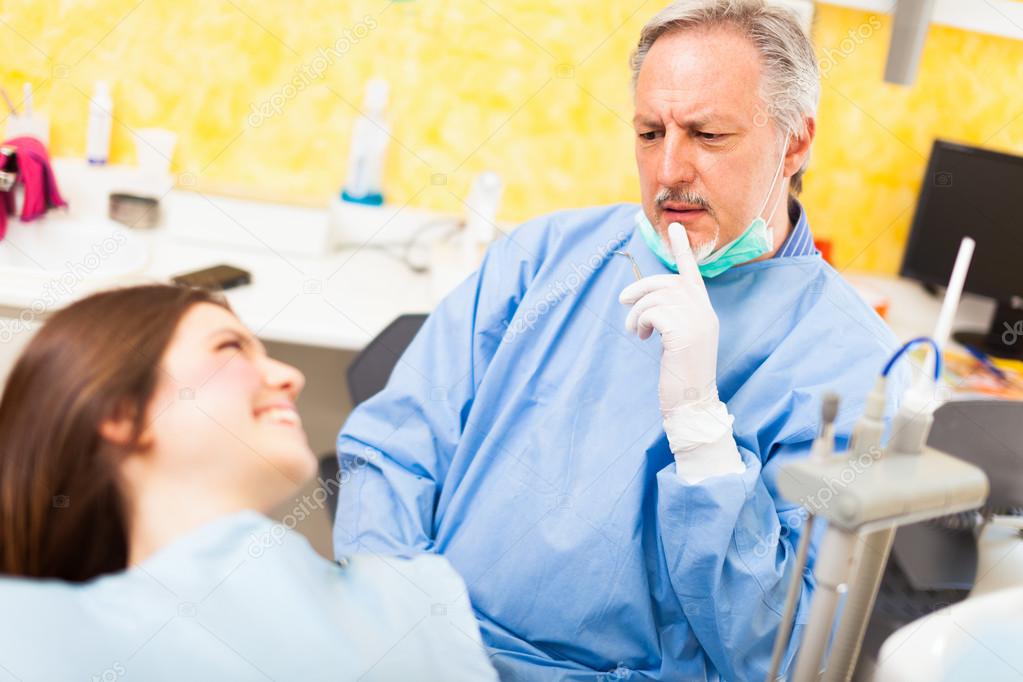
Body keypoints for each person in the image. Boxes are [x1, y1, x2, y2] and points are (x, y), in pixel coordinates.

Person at [334, 1, 908, 680]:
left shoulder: (856, 368)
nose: (668, 169)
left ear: (795, 143)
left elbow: (776, 654)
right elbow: (391, 451)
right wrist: (394, 616)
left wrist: (700, 430)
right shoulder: (544, 258)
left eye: (707, 134)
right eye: (647, 131)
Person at [0, 285, 497, 681]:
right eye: (231, 347)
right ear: (123, 413)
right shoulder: (38, 634)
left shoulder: (414, 599)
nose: (290, 376)